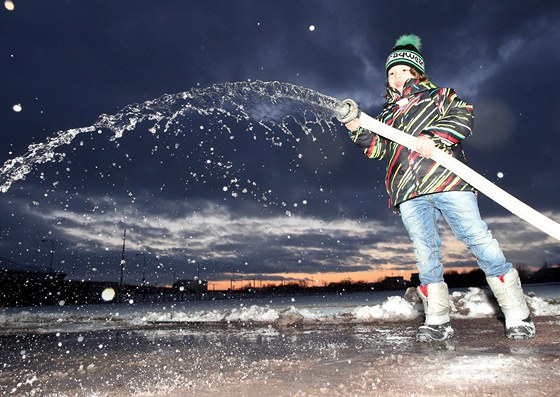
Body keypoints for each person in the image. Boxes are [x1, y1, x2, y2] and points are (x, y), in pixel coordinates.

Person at [344, 34, 535, 342]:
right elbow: (379, 148)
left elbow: (464, 115)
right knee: (426, 254)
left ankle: (517, 314)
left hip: (448, 180)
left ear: (416, 72)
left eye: (402, 70)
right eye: (391, 72)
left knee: (478, 240)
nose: (396, 76)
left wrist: (434, 135)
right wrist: (357, 129)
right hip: (408, 189)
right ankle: (437, 321)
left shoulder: (440, 96)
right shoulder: (387, 116)